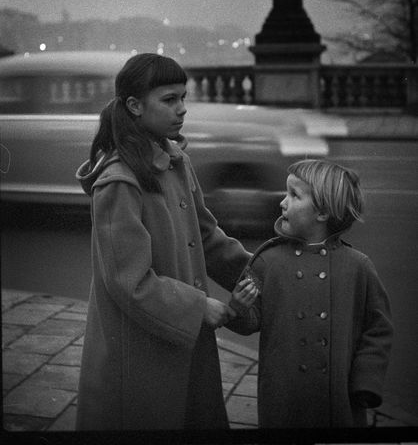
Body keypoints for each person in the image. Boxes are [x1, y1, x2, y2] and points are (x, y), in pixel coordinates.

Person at [75, 53, 250, 431]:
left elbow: (207, 238)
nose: (182, 109)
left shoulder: (176, 161)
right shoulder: (119, 182)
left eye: (183, 97)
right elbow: (128, 282)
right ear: (135, 106)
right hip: (139, 354)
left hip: (178, 341)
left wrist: (262, 273)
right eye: (170, 100)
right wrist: (198, 306)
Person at [227, 159, 393, 429]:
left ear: (323, 213)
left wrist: (366, 383)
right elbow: (249, 323)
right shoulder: (267, 261)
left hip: (340, 401)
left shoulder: (357, 266)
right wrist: (239, 306)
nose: (282, 202)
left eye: (294, 195)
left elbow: (378, 328)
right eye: (286, 193)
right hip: (284, 400)